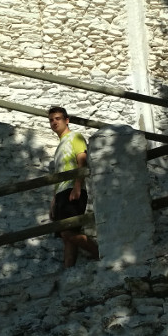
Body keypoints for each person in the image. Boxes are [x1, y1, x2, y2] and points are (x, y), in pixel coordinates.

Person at [48, 106, 99, 268]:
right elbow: (59, 175)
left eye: (58, 119)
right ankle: (68, 269)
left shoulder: (75, 137)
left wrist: (78, 186)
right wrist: (54, 200)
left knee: (68, 232)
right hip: (62, 193)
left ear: (66, 120)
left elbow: (82, 161)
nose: (54, 122)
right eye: (51, 120)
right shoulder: (60, 146)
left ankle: (101, 253)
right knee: (67, 236)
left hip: (72, 190)